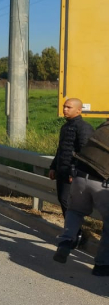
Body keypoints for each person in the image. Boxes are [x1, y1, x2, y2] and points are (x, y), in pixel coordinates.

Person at [53, 120, 109, 276]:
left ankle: (66, 241)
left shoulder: (103, 127)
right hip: (102, 183)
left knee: (75, 211)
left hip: (79, 177)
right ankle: (102, 265)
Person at [50, 98, 94, 249]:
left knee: (70, 204)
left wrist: (74, 172)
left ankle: (76, 235)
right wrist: (53, 167)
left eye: (69, 107)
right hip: (62, 170)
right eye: (64, 106)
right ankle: (73, 233)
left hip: (73, 174)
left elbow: (85, 152)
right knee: (63, 201)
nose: (65, 109)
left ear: (79, 110)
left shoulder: (84, 128)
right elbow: (61, 149)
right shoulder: (65, 127)